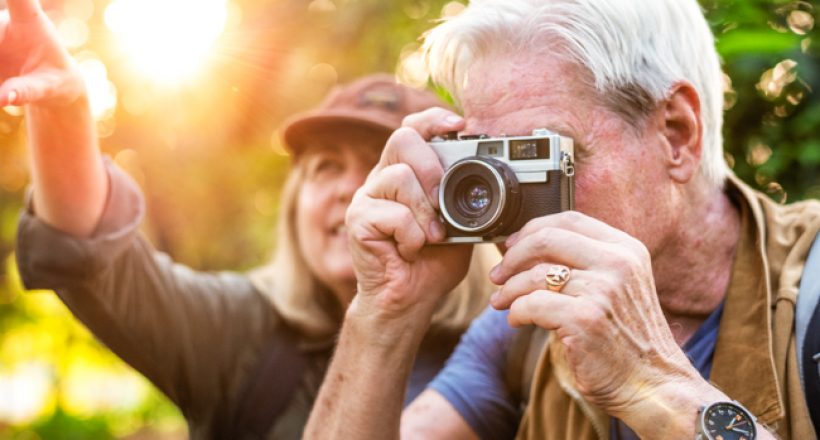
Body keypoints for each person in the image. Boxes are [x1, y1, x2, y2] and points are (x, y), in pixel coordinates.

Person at [304, 0, 820, 439]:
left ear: (677, 134)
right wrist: (384, 313)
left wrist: (659, 388)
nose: (511, 211)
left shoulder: (809, 298)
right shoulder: (520, 331)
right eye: (489, 160)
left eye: (547, 158)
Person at [2, 0, 498, 438]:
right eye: (326, 167)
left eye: (380, 165)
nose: (352, 188)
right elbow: (93, 257)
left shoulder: (505, 344)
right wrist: (65, 113)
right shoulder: (237, 332)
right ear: (295, 201)